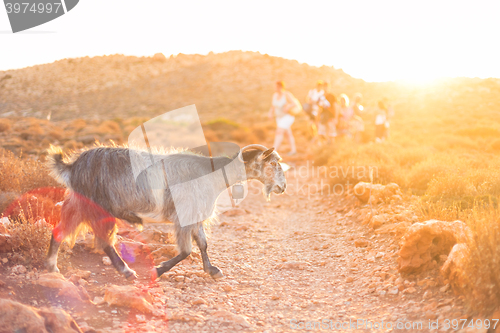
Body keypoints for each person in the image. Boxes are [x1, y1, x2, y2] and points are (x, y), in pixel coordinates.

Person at [268, 81, 297, 155]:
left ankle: (274, 151)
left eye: (276, 87)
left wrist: (288, 107)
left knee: (279, 131)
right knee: (288, 134)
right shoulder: (274, 95)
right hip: (279, 118)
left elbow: (294, 103)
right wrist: (270, 113)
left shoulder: (287, 94)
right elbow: (273, 106)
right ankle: (293, 150)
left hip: (287, 117)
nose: (275, 88)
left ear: (280, 87)